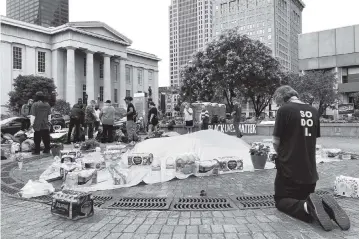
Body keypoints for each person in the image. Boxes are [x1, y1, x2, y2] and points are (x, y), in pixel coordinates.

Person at [272, 85, 350, 231]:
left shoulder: (284, 110)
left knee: (281, 201)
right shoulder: (313, 111)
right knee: (303, 198)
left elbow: (276, 142)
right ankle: (324, 207)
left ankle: (308, 207)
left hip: (289, 170)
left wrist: (280, 154)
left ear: (282, 98)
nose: (280, 105)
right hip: (310, 174)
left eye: (279, 102)